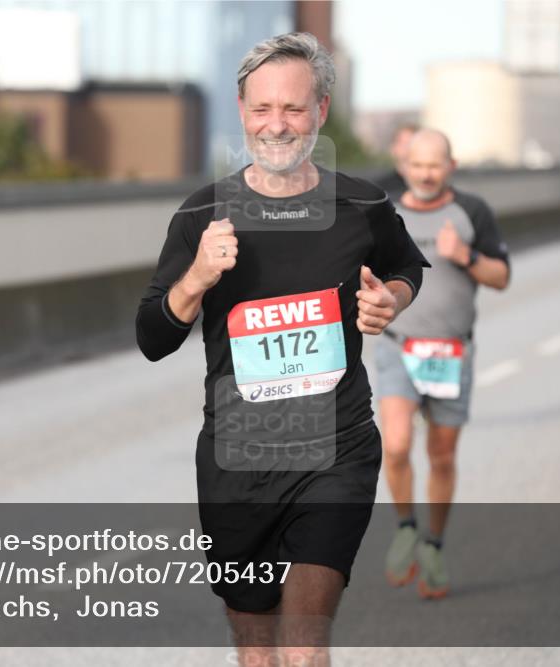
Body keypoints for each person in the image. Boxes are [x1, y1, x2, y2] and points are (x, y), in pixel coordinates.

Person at [136, 33, 428, 665]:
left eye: (294, 109)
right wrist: (197, 278)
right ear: (242, 111)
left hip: (337, 450)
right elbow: (152, 339)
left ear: (320, 112)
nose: (277, 125)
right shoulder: (201, 216)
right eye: (263, 109)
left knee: (303, 642)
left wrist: (392, 299)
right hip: (237, 462)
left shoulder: (362, 205)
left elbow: (408, 266)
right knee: (256, 644)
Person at [377, 129, 510, 599]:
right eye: (417, 165)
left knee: (441, 455)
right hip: (399, 346)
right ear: (404, 166)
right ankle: (406, 526)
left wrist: (465, 255)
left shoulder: (472, 211)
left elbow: (501, 277)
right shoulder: (385, 212)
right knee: (394, 445)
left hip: (452, 353)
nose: (426, 174)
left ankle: (433, 544)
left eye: (435, 165)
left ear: (450, 166)